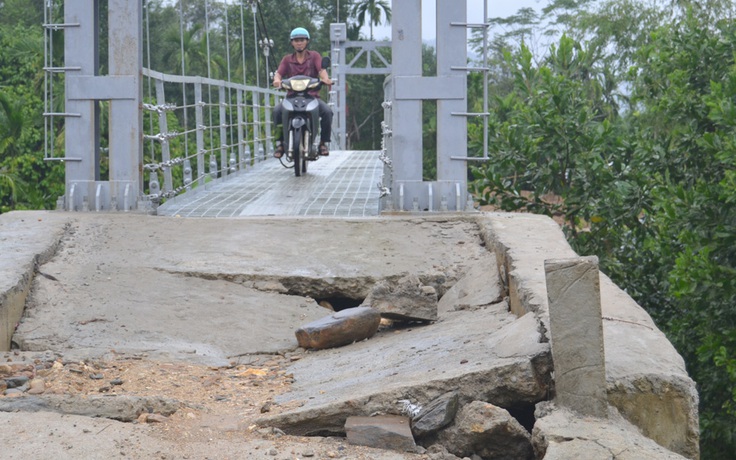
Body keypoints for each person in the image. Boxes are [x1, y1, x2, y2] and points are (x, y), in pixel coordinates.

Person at [272, 27, 333, 158]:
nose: (299, 43)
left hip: (312, 97)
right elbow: (279, 73)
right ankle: (280, 143)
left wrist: (326, 79)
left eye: (302, 40)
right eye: (296, 40)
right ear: (292, 43)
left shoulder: (315, 56)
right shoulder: (287, 59)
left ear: (307, 42)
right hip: (291, 97)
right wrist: (277, 80)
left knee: (327, 112)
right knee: (277, 111)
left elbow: (322, 70)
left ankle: (323, 143)